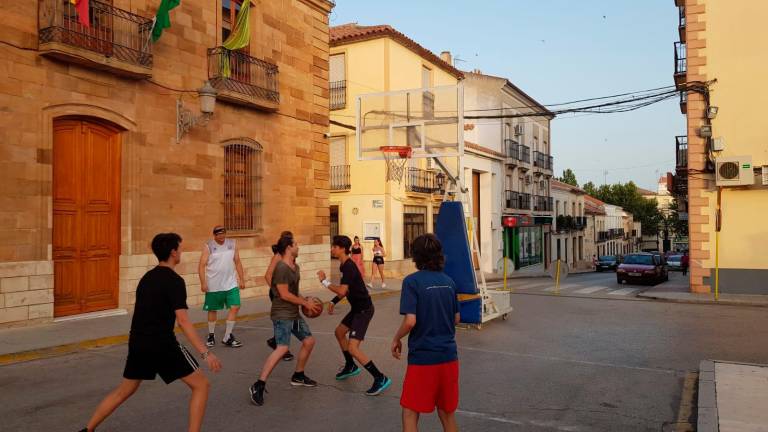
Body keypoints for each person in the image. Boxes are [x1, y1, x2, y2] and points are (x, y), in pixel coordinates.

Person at [79, 233, 222, 432]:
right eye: (180, 248)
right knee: (201, 386)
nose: (181, 252)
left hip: (138, 341)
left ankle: (87, 429)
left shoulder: (147, 278)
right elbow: (183, 321)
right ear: (173, 252)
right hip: (162, 344)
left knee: (125, 390)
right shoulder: (175, 281)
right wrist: (205, 352)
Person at [391, 233, 460, 432]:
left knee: (410, 411)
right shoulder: (449, 282)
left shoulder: (412, 282)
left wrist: (396, 338)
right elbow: (456, 318)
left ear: (415, 256)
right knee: (447, 414)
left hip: (423, 358)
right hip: (448, 357)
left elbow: (410, 321)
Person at [249, 235, 321, 406]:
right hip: (282, 314)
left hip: (293, 313)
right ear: (289, 248)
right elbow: (284, 294)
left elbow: (293, 292)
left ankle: (298, 375)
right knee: (282, 348)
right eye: (296, 244)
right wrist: (305, 303)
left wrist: (307, 301)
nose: (298, 246)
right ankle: (258, 385)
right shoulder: (281, 267)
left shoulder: (295, 267)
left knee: (309, 341)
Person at [317, 235, 392, 396]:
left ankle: (380, 378)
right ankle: (350, 366)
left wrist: (324, 281)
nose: (332, 249)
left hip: (363, 310)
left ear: (342, 249)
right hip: (357, 309)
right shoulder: (344, 265)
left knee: (353, 347)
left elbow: (343, 290)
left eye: (334, 247)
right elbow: (347, 290)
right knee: (339, 332)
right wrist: (334, 301)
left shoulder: (349, 267)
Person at [198, 226, 245, 348]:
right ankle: (211, 335)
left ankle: (227, 336)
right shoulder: (208, 246)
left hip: (230, 283)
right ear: (214, 235)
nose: (222, 236)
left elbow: (238, 261)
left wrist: (241, 279)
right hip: (214, 284)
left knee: (235, 306)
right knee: (212, 310)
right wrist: (203, 282)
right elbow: (201, 265)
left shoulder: (232, 243)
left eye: (223, 234)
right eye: (219, 234)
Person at [264, 231, 295, 362]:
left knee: (288, 319)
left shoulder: (290, 256)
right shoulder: (278, 256)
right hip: (277, 292)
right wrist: (276, 290)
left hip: (287, 291)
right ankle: (282, 348)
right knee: (283, 319)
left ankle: (276, 341)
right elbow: (268, 275)